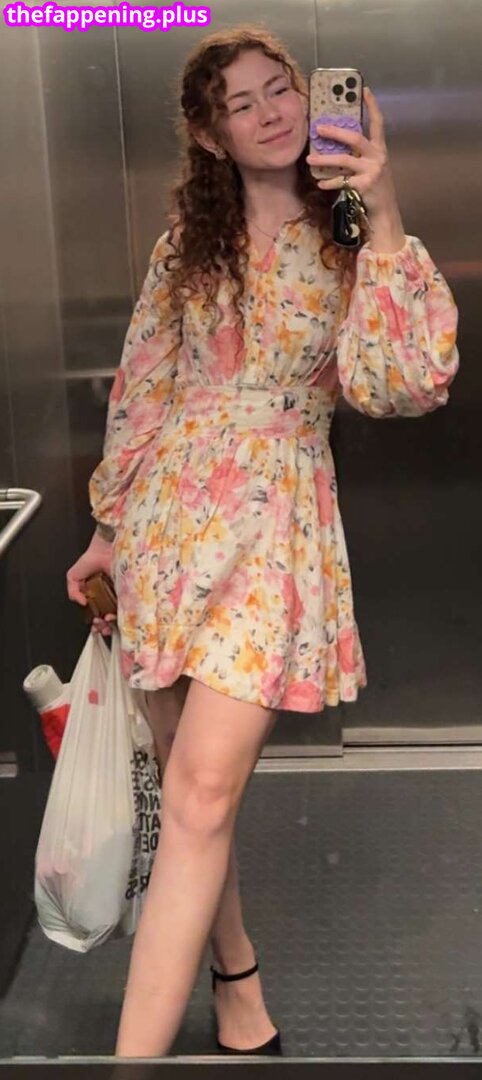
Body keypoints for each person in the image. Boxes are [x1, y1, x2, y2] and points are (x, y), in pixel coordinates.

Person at [66, 23, 459, 1059]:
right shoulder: (185, 248)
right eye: (239, 104)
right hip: (166, 530)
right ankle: (235, 978)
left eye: (278, 87)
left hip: (274, 527)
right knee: (189, 788)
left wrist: (380, 204)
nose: (270, 111)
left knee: (201, 791)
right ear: (210, 136)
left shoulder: (349, 232)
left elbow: (404, 384)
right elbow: (141, 388)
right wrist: (107, 529)